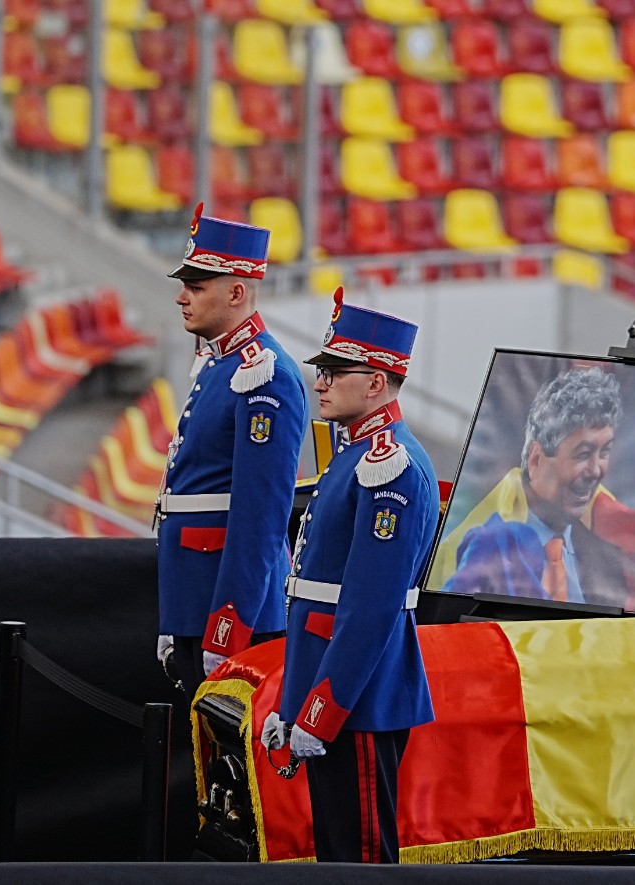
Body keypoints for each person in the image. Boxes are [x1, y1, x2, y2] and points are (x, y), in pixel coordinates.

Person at [264, 288, 438, 864]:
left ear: (378, 382)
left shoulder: (390, 466)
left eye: (337, 372)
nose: (320, 382)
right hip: (329, 681)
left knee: (360, 857)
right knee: (337, 850)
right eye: (323, 370)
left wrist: (324, 707)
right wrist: (296, 705)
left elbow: (369, 608)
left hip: (359, 695)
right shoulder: (354, 454)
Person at [155, 202, 307, 699]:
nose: (182, 298)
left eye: (196, 288)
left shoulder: (264, 376)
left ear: (236, 292)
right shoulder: (224, 365)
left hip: (233, 610)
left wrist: (229, 622)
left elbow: (260, 515)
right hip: (196, 597)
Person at [433, 366, 635, 614]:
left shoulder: (609, 558)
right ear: (535, 459)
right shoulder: (494, 546)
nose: (596, 470)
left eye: (605, 451)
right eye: (584, 453)